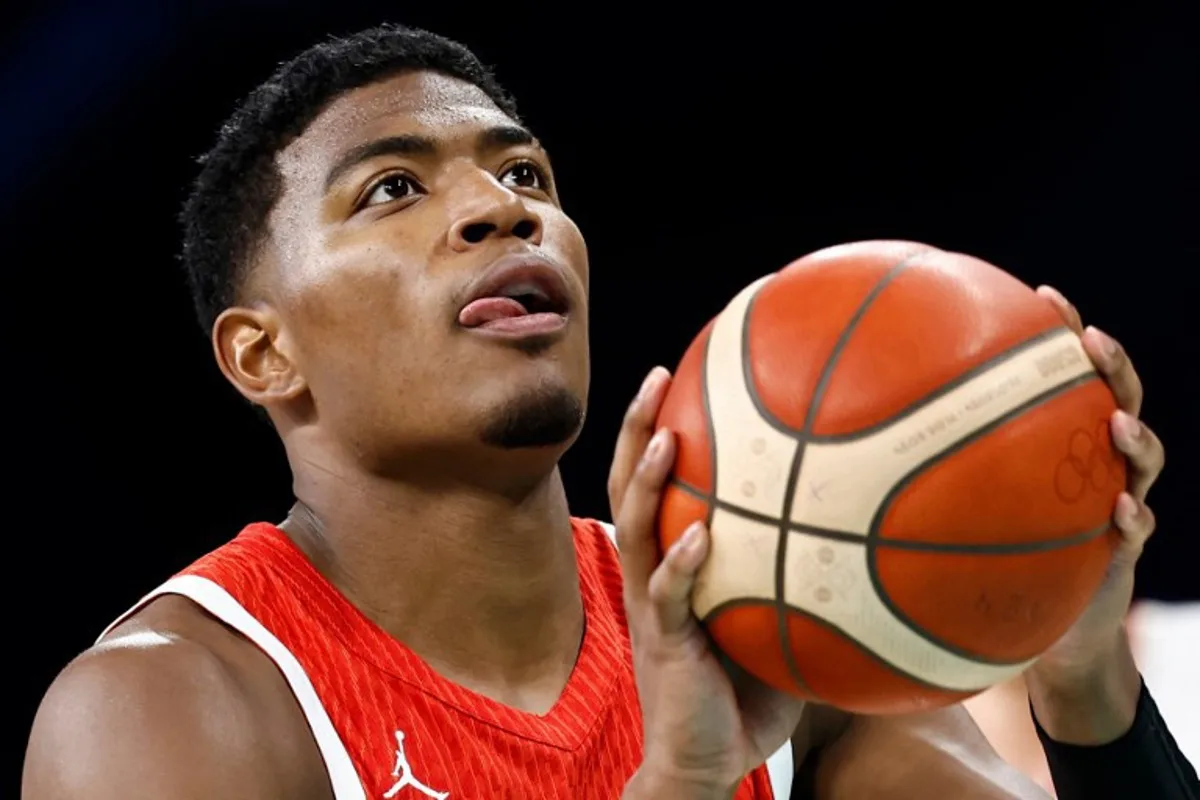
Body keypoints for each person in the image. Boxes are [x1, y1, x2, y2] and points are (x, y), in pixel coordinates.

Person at [21, 23, 1197, 800]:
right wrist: (680, 782)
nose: (500, 209)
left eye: (525, 175)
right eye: (394, 188)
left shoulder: (775, 642)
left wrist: (1083, 680)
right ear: (263, 352)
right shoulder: (171, 705)